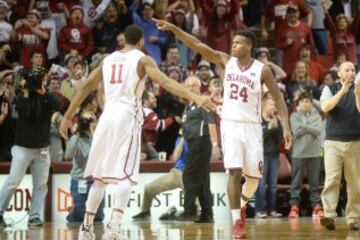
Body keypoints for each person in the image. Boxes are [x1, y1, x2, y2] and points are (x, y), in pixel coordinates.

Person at [59, 24, 214, 240]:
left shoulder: (108, 59)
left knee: (101, 178)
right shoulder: (142, 59)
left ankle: (86, 227)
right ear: (141, 41)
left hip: (106, 117)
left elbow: (85, 87)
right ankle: (113, 226)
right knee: (126, 176)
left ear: (124, 40)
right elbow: (166, 82)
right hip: (126, 117)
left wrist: (67, 116)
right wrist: (197, 97)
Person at [154, 19, 292, 239]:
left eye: (238, 43)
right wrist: (173, 29)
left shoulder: (262, 70)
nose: (233, 45)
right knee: (234, 172)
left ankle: (243, 205)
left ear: (249, 46)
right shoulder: (225, 61)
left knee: (254, 180)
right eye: (234, 42)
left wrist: (286, 126)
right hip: (230, 124)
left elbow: (278, 98)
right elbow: (197, 46)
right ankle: (237, 221)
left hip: (252, 127)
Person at [0, 68, 61, 228]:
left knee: (41, 184)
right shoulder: (21, 97)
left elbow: (59, 105)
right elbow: (26, 113)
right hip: (23, 148)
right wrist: (27, 91)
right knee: (13, 181)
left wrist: (43, 92)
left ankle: (34, 216)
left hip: (42, 148)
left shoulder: (47, 97)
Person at [319, 61, 360, 231]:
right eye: (347, 70)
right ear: (339, 74)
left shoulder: (359, 89)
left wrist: (357, 94)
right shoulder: (329, 88)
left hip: (355, 143)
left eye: (353, 70)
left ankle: (353, 218)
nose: (350, 72)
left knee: (355, 183)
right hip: (333, 143)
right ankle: (329, 215)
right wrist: (342, 91)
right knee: (332, 179)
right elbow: (325, 107)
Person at [132, 130, 189, 221]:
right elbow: (175, 157)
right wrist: (183, 138)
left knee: (194, 212)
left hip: (190, 175)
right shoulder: (180, 138)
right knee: (149, 188)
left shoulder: (199, 139)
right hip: (177, 172)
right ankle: (145, 211)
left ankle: (173, 212)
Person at [288, 91, 324, 219]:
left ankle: (316, 206)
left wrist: (304, 127)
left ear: (311, 103)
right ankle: (294, 207)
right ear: (299, 103)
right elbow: (296, 131)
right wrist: (310, 127)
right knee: (296, 182)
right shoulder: (293, 116)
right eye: (302, 101)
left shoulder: (317, 116)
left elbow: (318, 130)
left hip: (314, 153)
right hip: (298, 154)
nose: (305, 103)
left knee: (314, 182)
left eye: (307, 101)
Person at [255, 97, 283, 218]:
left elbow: (281, 137)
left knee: (273, 185)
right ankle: (260, 210)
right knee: (261, 185)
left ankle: (272, 210)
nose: (273, 107)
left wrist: (277, 124)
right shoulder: (258, 121)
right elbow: (260, 138)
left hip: (274, 156)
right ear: (264, 106)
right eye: (271, 105)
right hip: (262, 156)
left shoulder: (276, 120)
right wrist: (271, 128)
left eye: (274, 105)